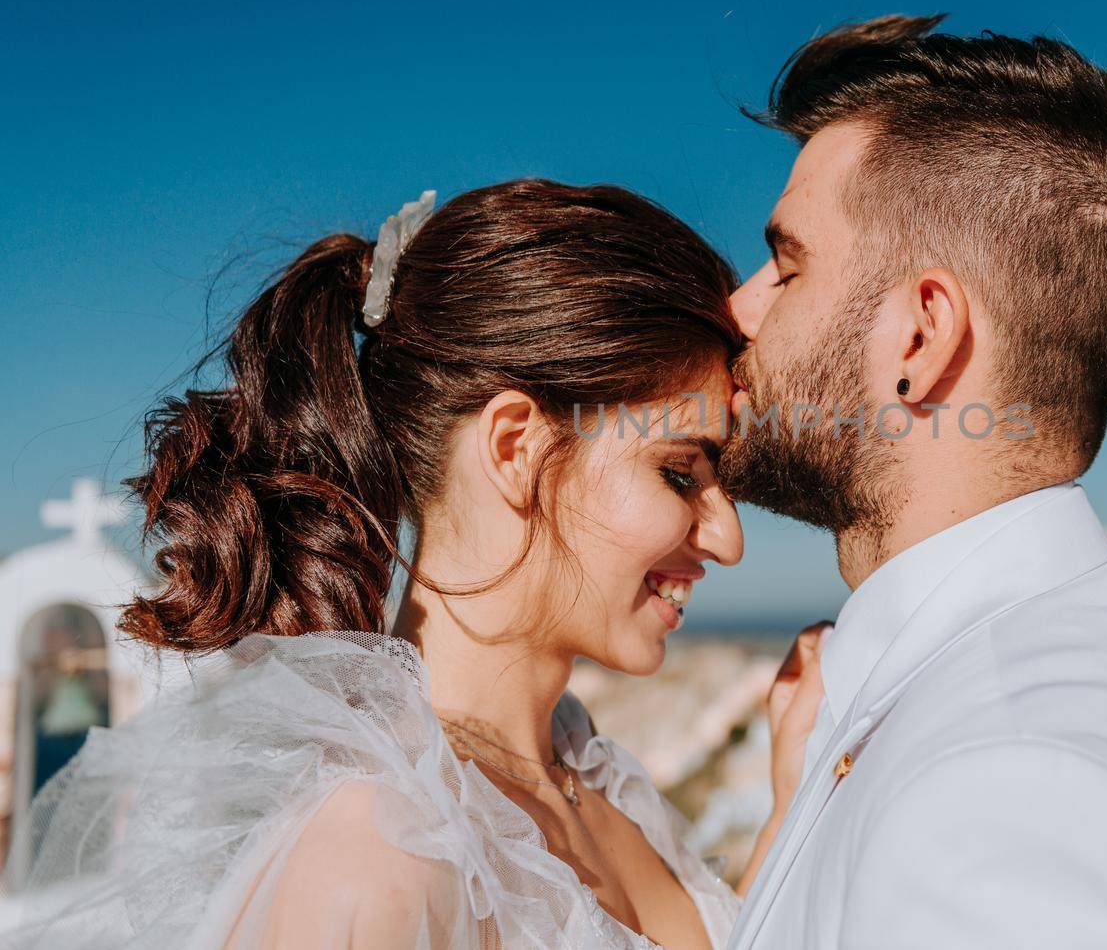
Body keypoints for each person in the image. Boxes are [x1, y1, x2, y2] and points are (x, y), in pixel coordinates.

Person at [8, 180, 822, 949]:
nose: (728, 539)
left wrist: (792, 806)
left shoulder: (583, 776)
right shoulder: (380, 853)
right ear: (515, 449)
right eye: (681, 473)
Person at [717, 15, 1107, 949]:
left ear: (921, 336)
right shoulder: (992, 713)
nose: (737, 307)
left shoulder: (1015, 796)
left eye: (786, 264)